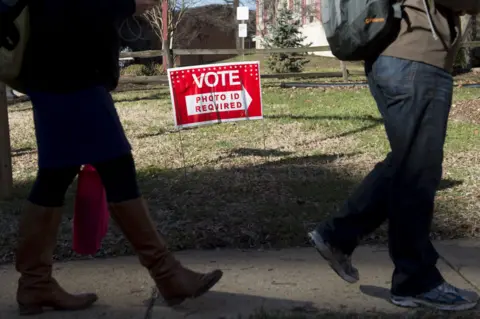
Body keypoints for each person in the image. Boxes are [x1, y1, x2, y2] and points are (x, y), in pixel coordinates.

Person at [13, 0, 222, 315]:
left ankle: (34, 284)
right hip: (74, 76)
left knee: (56, 174)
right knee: (116, 168)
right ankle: (168, 275)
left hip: (51, 72)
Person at [308, 0, 480, 312]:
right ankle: (416, 281)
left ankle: (338, 235)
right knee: (417, 172)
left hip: (394, 58)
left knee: (408, 163)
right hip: (415, 59)